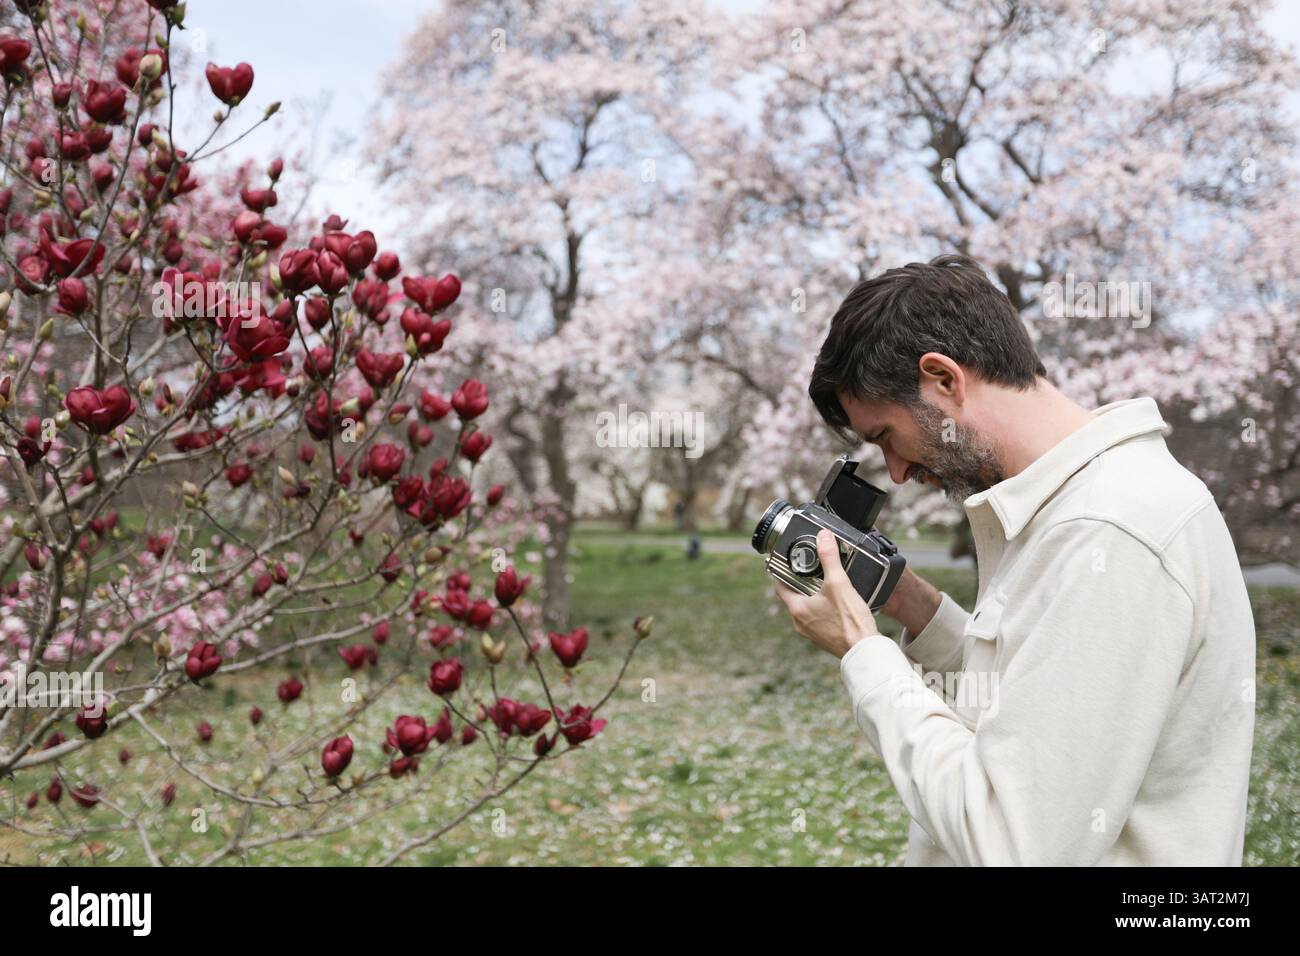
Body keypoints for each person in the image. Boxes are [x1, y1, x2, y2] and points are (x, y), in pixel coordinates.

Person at [774, 254, 1256, 866]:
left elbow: (1013, 844)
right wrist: (911, 605)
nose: (894, 473)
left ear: (943, 379)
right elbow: (1023, 698)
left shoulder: (1108, 528)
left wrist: (863, 653)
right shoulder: (1070, 502)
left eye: (885, 436)